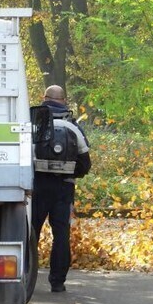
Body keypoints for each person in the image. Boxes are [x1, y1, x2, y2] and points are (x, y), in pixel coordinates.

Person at [32, 85, 91, 293]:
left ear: (44, 98)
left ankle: (27, 278)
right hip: (63, 189)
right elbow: (85, 164)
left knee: (32, 232)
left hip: (37, 187)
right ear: (64, 101)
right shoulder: (73, 128)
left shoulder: (34, 125)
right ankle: (57, 282)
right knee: (61, 234)